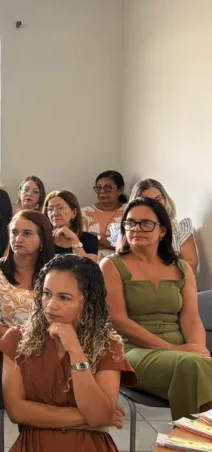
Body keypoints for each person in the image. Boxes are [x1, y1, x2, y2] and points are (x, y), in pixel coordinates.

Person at [0, 255, 134, 452]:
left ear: (87, 303)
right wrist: (88, 418)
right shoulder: (17, 339)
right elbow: (17, 411)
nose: (51, 305)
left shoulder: (108, 345)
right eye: (46, 293)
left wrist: (76, 351)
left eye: (64, 298)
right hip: (37, 447)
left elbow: (100, 414)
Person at [101, 197, 212, 420]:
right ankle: (191, 445)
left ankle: (190, 445)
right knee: (191, 366)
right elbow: (118, 321)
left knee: (194, 366)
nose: (137, 229)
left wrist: (199, 351)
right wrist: (174, 349)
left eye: (146, 223)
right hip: (131, 351)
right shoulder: (111, 265)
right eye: (130, 223)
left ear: (162, 230)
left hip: (182, 357)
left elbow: (191, 320)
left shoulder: (181, 267)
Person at [0, 210, 55, 341]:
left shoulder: (56, 272)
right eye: (14, 233)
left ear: (43, 240)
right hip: (8, 349)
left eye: (27, 234)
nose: (18, 239)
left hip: (51, 347)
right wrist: (30, 341)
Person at [129, 178, 199, 274]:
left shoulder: (180, 229)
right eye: (148, 200)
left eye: (158, 199)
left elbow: (191, 264)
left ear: (165, 200)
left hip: (175, 284)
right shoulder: (129, 231)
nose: (155, 204)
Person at [44, 190, 99, 261]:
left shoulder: (90, 239)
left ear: (74, 212)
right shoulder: (42, 237)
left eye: (60, 208)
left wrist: (75, 241)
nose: (54, 213)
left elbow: (89, 270)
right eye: (50, 209)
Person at [82, 170, 127, 259]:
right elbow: (80, 243)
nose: (102, 191)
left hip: (120, 265)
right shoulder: (84, 213)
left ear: (120, 190)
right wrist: (112, 243)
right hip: (89, 266)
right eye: (98, 188)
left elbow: (127, 246)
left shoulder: (128, 212)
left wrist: (95, 238)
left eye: (108, 188)